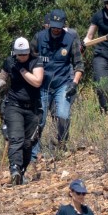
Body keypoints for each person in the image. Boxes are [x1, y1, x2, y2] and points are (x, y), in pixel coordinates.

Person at [32, 9, 84, 157]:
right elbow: (28, 58)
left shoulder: (70, 40)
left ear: (63, 25)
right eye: (53, 26)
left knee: (62, 115)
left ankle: (62, 146)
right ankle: (34, 154)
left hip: (62, 83)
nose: (55, 29)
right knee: (38, 120)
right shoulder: (39, 38)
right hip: (41, 84)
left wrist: (74, 83)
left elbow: (79, 64)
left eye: (58, 26)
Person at [0, 37, 44, 185]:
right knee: (16, 138)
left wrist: (21, 69)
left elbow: (37, 81)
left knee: (28, 143)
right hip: (14, 106)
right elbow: (3, 76)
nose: (22, 56)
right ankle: (14, 168)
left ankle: (21, 171)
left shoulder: (36, 62)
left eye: (24, 53)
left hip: (32, 108)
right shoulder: (10, 62)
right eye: (19, 54)